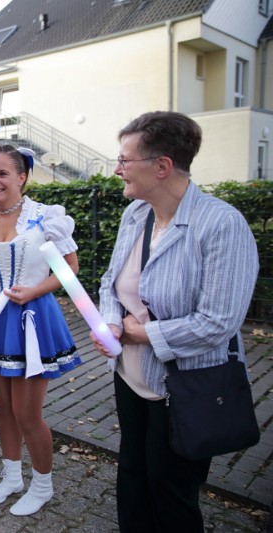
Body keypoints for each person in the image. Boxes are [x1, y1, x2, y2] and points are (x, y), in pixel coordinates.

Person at [92, 111, 258, 531]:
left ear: (162, 166)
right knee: (132, 475)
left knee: (171, 491)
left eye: (124, 160)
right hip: (129, 376)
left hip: (185, 387)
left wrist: (141, 333)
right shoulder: (136, 215)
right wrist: (112, 323)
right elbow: (111, 282)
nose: (117, 169)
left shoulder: (222, 225)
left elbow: (218, 323)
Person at [0, 144, 81, 515]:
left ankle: (42, 485)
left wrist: (33, 291)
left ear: (22, 176)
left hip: (33, 319)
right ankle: (12, 476)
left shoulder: (46, 217)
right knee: (4, 410)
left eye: (2, 173)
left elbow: (70, 268)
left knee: (28, 414)